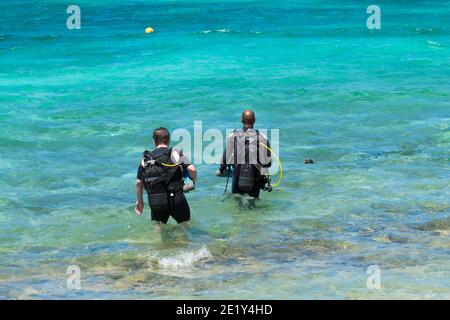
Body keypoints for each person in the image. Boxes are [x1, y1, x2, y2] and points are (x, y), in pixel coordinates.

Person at [135, 127, 197, 225]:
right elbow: (192, 170)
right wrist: (192, 180)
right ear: (168, 140)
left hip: (156, 201)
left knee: (158, 232)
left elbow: (139, 183)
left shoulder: (145, 160)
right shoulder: (176, 153)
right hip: (176, 199)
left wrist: (140, 202)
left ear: (153, 141)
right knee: (184, 227)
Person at [216, 110, 272, 199]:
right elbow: (268, 163)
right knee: (253, 203)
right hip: (255, 177)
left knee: (237, 201)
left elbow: (225, 157)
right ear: (254, 120)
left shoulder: (233, 135)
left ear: (242, 121)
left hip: (238, 175)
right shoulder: (263, 138)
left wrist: (221, 169)